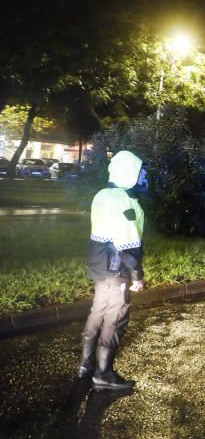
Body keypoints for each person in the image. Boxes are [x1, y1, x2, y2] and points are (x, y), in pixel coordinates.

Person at [78, 150, 146, 391]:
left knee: (97, 312)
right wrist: (137, 275)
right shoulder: (124, 200)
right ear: (129, 173)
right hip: (117, 268)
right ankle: (103, 374)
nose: (143, 177)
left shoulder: (102, 195)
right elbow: (127, 244)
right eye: (140, 172)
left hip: (99, 265)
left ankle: (85, 366)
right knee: (116, 319)